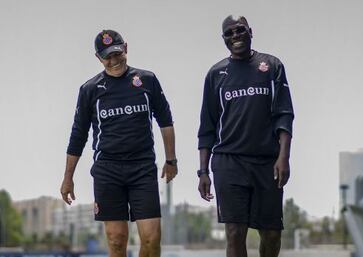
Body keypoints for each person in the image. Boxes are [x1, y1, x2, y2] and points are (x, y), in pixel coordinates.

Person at [60, 29, 177, 257]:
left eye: (117, 53)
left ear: (125, 48)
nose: (114, 61)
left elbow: (165, 120)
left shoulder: (147, 80)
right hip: (107, 171)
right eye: (107, 57)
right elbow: (78, 135)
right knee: (116, 241)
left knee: (152, 240)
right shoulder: (89, 90)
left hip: (142, 168)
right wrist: (68, 177)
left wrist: (170, 159)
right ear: (98, 57)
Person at [197, 15, 294, 257]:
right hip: (229, 162)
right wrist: (203, 172)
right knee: (234, 232)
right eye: (229, 34)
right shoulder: (216, 74)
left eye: (240, 30)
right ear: (224, 39)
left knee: (271, 234)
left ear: (250, 31)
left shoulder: (272, 66)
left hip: (266, 163)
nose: (235, 36)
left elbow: (284, 115)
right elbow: (207, 128)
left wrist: (284, 157)